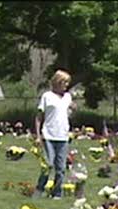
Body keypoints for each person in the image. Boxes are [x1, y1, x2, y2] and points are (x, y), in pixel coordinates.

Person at [34, 70, 76, 199]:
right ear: (57, 82)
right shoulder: (47, 96)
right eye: (64, 82)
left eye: (68, 83)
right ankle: (39, 189)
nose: (66, 85)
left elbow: (68, 114)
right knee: (49, 164)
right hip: (48, 135)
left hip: (63, 136)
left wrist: (74, 110)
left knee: (61, 167)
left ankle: (57, 193)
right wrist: (38, 135)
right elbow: (39, 117)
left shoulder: (68, 97)